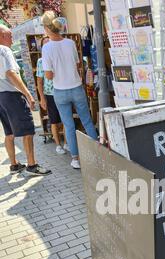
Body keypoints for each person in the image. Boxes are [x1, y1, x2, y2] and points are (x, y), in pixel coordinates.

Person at [41, 12, 98, 170]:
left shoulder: (46, 48)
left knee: (69, 125)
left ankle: (75, 159)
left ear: (46, 28)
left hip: (60, 90)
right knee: (86, 121)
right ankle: (97, 153)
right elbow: (78, 64)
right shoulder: (70, 43)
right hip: (76, 87)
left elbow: (49, 75)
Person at [0, 24, 51, 176]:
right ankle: (32, 165)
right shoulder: (4, 50)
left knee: (9, 132)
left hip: (1, 97)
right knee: (28, 130)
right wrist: (28, 94)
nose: (12, 38)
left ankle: (14, 164)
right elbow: (11, 73)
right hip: (11, 95)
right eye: (10, 35)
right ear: (2, 36)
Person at [36, 36, 69, 155]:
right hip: (50, 94)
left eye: (49, 43)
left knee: (66, 119)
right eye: (45, 44)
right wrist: (42, 99)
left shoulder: (58, 57)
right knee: (54, 121)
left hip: (63, 90)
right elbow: (39, 82)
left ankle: (66, 142)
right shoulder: (41, 61)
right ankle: (58, 145)